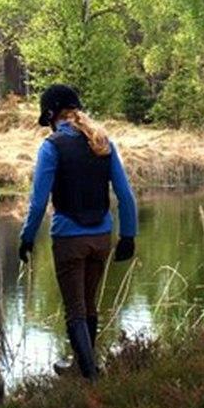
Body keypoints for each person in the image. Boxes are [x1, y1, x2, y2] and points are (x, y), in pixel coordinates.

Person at [19, 84, 137, 381]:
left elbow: (37, 203)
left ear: (52, 115)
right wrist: (129, 235)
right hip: (102, 238)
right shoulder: (102, 142)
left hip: (69, 239)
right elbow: (125, 195)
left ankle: (90, 378)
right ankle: (81, 365)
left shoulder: (51, 146)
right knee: (89, 303)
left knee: (75, 310)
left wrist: (27, 237)